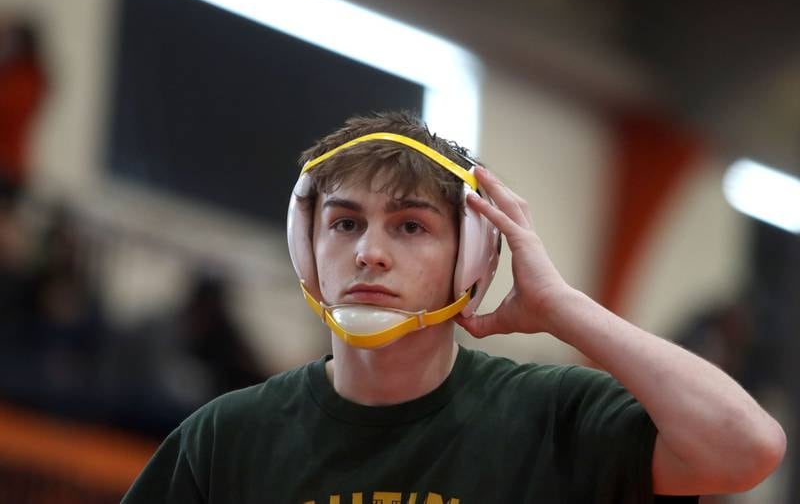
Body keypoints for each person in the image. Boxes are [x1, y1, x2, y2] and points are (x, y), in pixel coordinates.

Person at [122, 111, 785, 503]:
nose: (369, 253)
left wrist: (564, 307)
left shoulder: (552, 419)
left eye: (410, 226)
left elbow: (746, 447)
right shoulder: (224, 440)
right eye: (345, 224)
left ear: (472, 259)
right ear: (307, 247)